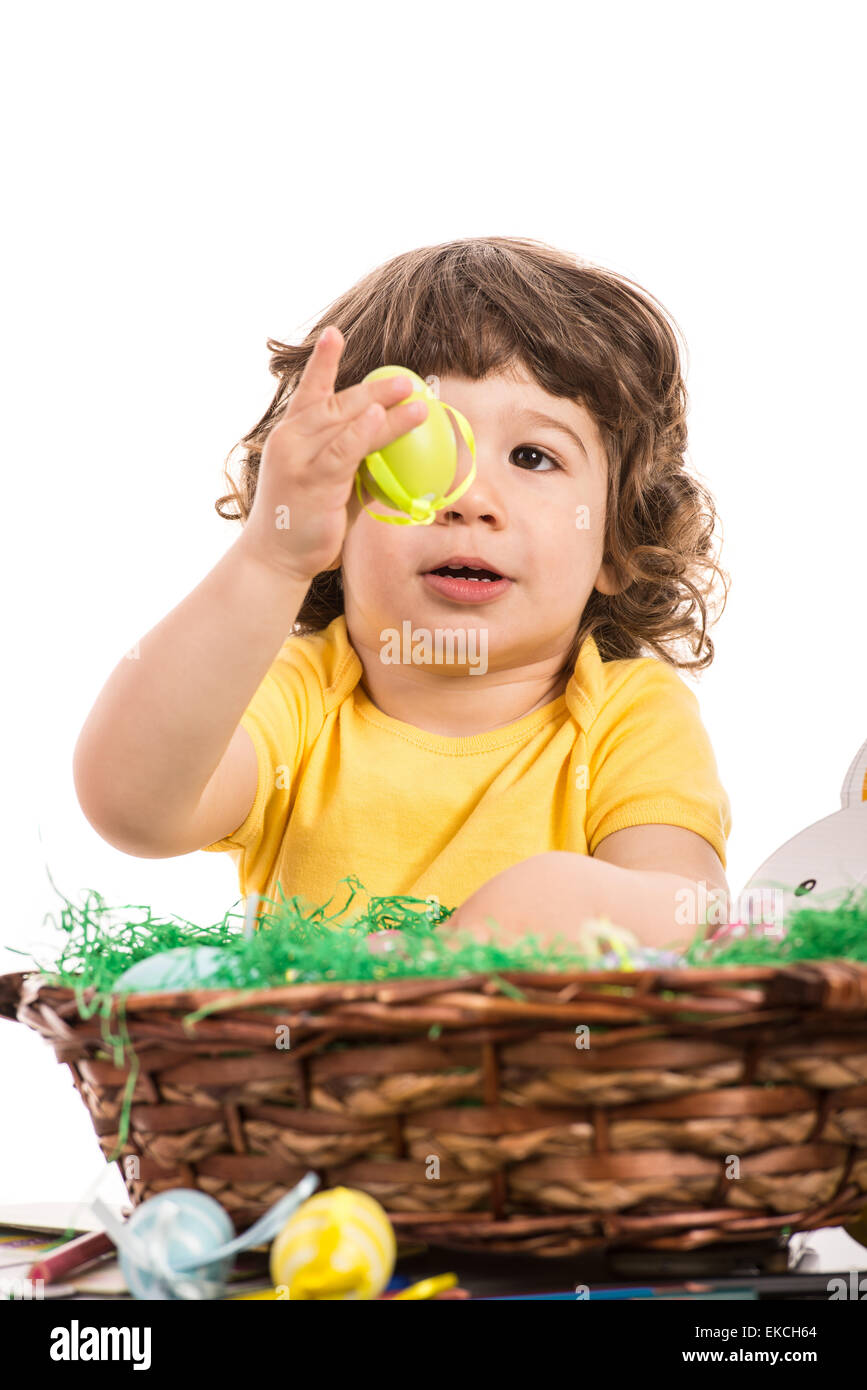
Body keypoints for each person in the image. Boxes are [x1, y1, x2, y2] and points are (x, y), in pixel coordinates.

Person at [73, 236, 733, 950]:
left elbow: (690, 910)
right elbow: (133, 808)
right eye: (416, 456)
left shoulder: (627, 715)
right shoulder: (304, 697)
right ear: (342, 513)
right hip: (322, 1064)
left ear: (614, 541)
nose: (469, 499)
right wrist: (271, 556)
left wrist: (536, 907)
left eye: (532, 456)